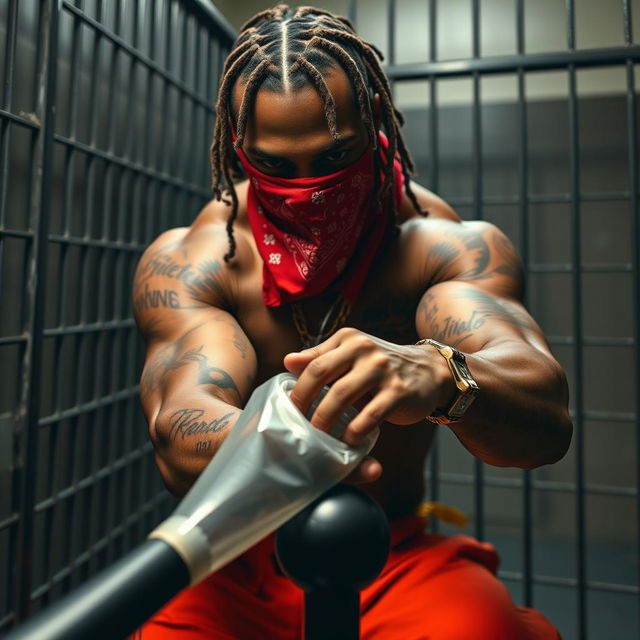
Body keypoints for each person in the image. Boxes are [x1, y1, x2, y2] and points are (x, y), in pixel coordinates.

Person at [131, 5, 572, 639]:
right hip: (236, 553)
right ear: (239, 151)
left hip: (387, 551)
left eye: (337, 157)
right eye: (279, 169)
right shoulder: (198, 261)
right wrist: (296, 439)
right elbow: (178, 428)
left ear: (377, 128)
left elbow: (545, 422)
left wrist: (442, 374)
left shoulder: (441, 247)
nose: (311, 190)